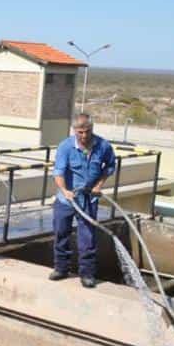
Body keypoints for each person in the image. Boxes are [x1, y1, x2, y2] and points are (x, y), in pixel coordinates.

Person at [50, 113, 117, 289]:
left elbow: (110, 166)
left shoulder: (103, 146)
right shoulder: (65, 147)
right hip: (67, 200)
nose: (84, 135)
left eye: (87, 131)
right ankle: (61, 268)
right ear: (74, 130)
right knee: (61, 233)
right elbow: (58, 172)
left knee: (87, 238)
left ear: (92, 129)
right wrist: (65, 191)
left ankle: (87, 274)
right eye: (80, 132)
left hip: (88, 200)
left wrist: (99, 185)